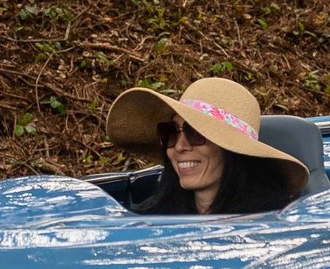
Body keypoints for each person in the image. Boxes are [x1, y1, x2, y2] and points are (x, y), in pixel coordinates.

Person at [106, 76, 307, 215]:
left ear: (233, 151)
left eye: (196, 133)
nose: (179, 147)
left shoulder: (276, 226)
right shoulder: (150, 222)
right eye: (170, 133)